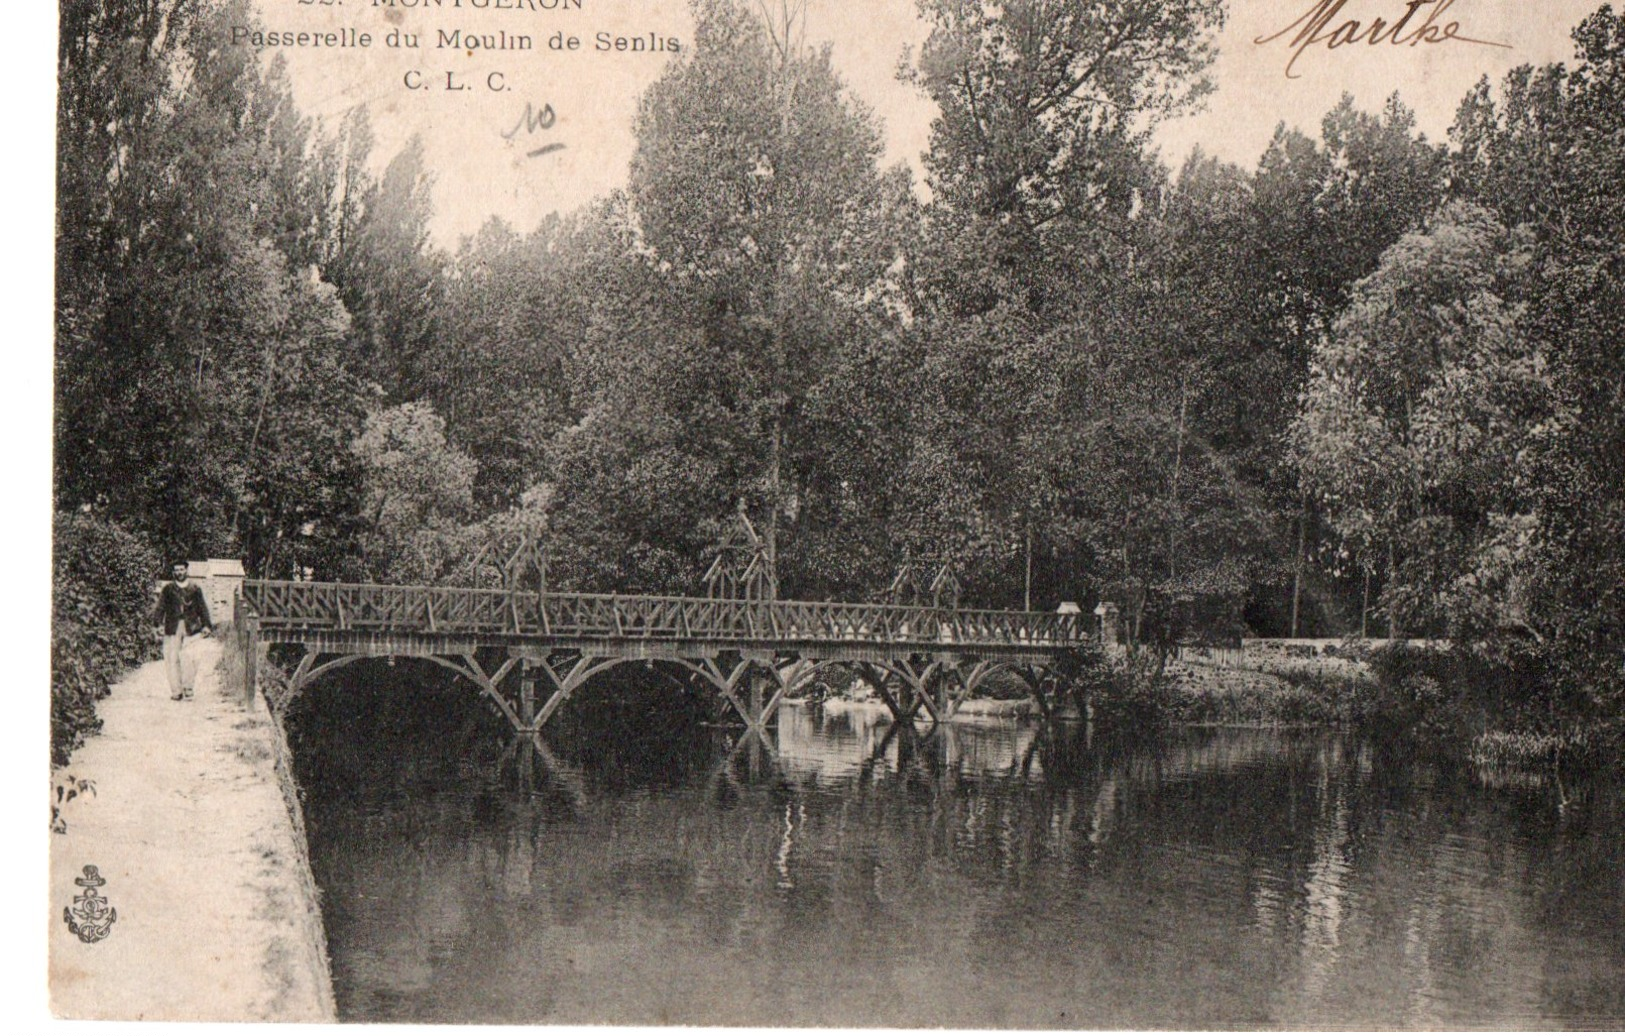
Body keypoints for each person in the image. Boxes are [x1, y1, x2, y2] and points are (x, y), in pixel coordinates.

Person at [152, 561, 213, 701]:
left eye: (181, 569)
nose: (179, 572)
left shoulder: (195, 589)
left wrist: (206, 625)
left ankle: (188, 687)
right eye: (176, 570)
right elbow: (160, 607)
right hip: (172, 627)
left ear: (186, 570)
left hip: (191, 628)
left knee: (191, 658)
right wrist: (158, 624)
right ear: (173, 572)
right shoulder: (168, 589)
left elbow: (202, 608)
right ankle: (176, 691)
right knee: (172, 659)